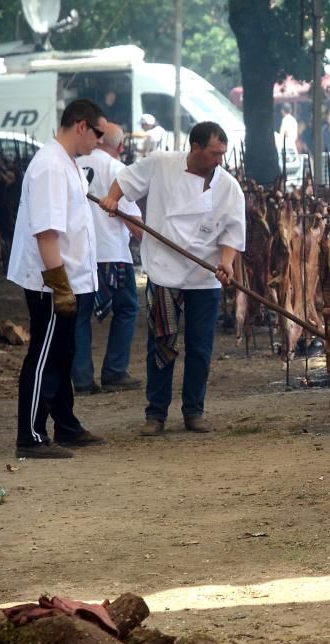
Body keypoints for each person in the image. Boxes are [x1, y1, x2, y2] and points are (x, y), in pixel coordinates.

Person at [100, 122, 245, 436]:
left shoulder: (228, 186)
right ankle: (156, 414)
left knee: (200, 346)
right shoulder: (162, 164)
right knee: (162, 343)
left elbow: (233, 231)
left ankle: (194, 411)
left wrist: (227, 263)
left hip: (205, 275)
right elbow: (126, 180)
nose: (220, 160)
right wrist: (112, 199)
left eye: (223, 153)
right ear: (195, 148)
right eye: (214, 153)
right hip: (165, 270)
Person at [7, 98, 108, 459]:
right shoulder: (50, 165)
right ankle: (30, 435)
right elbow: (46, 232)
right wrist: (60, 284)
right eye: (98, 133)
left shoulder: (68, 164)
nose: (99, 141)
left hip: (68, 277)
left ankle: (64, 423)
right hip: (51, 279)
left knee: (64, 353)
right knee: (45, 354)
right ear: (81, 126)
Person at [73, 122, 144, 395]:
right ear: (120, 146)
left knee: (80, 315)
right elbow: (133, 222)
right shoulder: (116, 169)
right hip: (111, 252)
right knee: (126, 308)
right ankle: (114, 372)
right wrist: (148, 242)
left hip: (80, 253)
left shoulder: (74, 165)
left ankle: (81, 379)